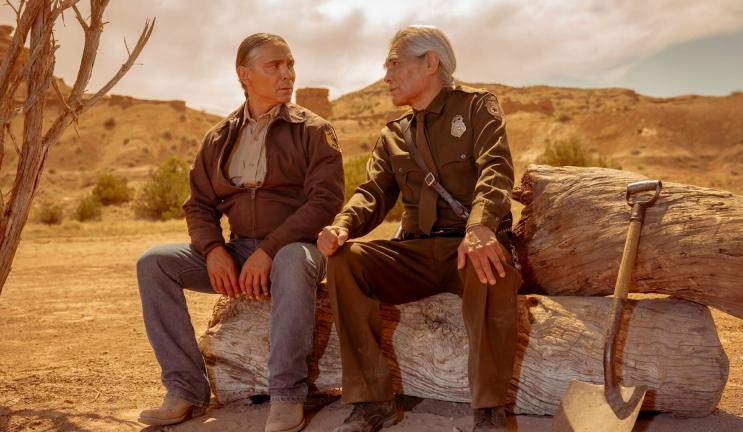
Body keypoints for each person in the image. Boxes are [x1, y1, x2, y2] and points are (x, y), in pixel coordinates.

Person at [136, 33, 344, 432]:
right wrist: (213, 249)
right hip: (238, 249)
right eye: (274, 66)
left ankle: (287, 396)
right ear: (244, 75)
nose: (287, 74)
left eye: (290, 64)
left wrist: (269, 250)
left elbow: (325, 201)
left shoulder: (314, 130)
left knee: (290, 259)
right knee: (154, 263)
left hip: (299, 249)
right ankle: (185, 390)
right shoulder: (218, 137)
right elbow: (198, 204)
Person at [318, 25, 522, 432]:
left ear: (431, 63)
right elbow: (373, 192)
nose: (386, 76)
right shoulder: (393, 135)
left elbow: (496, 170)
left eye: (394, 64)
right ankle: (371, 402)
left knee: (488, 266)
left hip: (467, 246)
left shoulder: (476, 108)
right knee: (345, 260)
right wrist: (342, 226)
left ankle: (489, 414)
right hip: (414, 252)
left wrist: (481, 226)